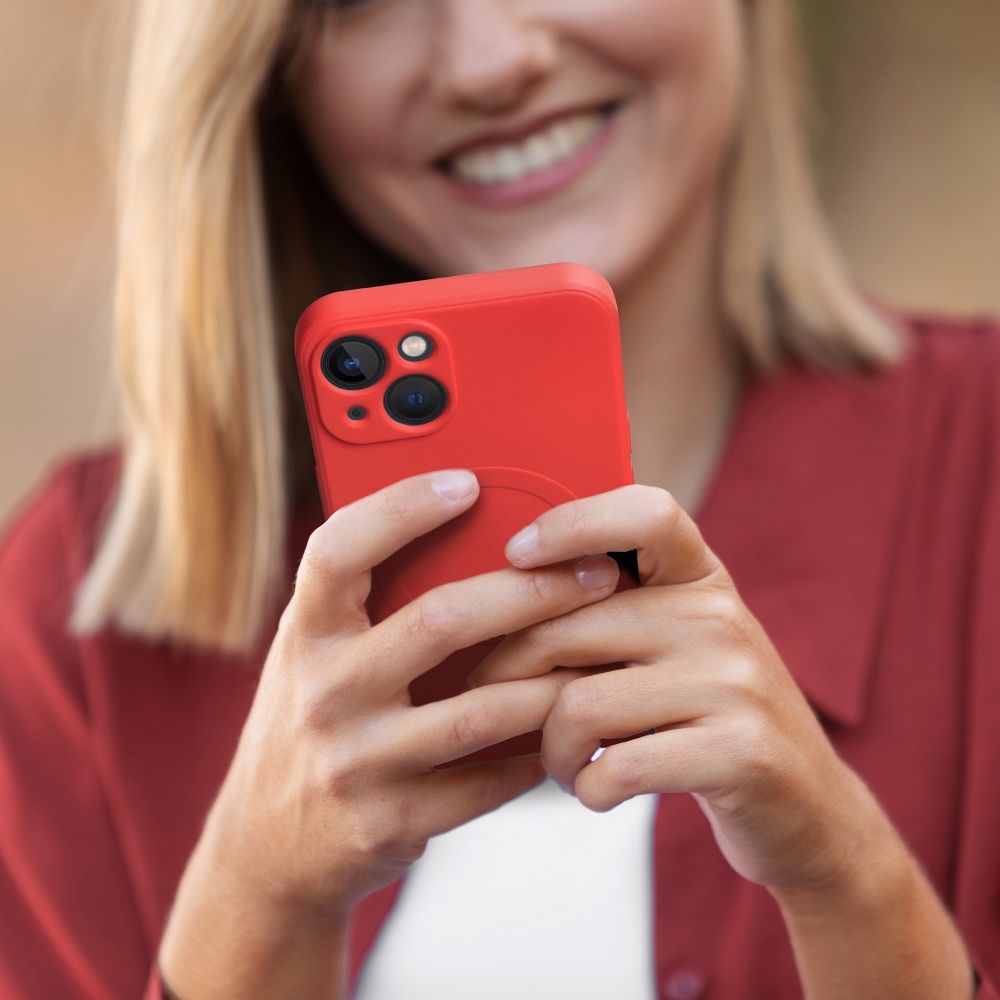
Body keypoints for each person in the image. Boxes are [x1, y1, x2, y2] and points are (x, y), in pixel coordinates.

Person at [0, 0, 997, 997]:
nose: (489, 62)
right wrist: (256, 905)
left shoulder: (975, 484)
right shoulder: (70, 623)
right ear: (267, 72)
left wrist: (851, 884)